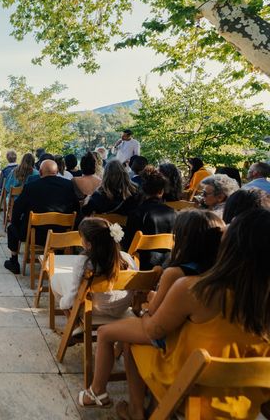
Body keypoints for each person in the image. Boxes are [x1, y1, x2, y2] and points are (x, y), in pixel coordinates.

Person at [118, 209, 270, 420]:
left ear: (229, 247)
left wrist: (144, 312)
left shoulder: (195, 289)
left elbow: (153, 330)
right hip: (247, 403)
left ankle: (137, 411)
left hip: (192, 394)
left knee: (133, 341)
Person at [78, 209, 225, 410]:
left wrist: (150, 300)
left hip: (174, 341)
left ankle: (100, 393)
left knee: (106, 333)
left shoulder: (177, 274)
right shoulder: (220, 273)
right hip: (198, 339)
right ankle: (133, 406)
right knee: (127, 337)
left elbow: (154, 319)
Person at [4, 160, 80, 274]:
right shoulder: (68, 185)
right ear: (57, 171)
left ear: (40, 172)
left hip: (35, 235)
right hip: (62, 234)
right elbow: (76, 208)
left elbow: (17, 209)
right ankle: (59, 256)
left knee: (12, 228)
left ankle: (14, 261)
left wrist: (15, 222)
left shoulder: (31, 187)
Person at [56, 218, 137, 322]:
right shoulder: (126, 258)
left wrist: (63, 304)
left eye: (82, 238)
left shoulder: (85, 263)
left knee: (56, 279)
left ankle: (75, 325)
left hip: (94, 310)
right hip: (121, 308)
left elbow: (74, 294)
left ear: (89, 244)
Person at [121, 167, 176, 269]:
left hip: (140, 268)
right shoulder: (173, 213)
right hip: (166, 266)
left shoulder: (136, 214)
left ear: (144, 191)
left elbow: (128, 244)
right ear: (161, 191)